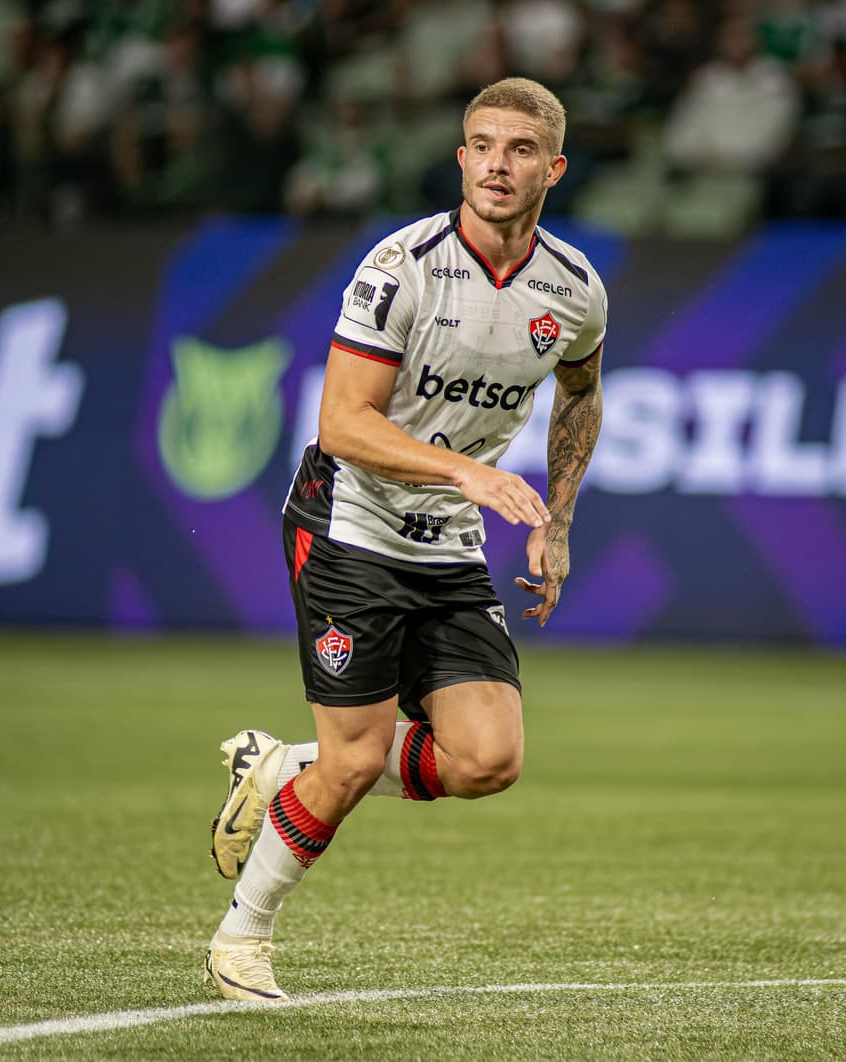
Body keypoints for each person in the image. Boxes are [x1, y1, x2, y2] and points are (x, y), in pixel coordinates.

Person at [203, 76, 607, 1003]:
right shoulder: (405, 266)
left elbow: (581, 391)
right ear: (460, 156)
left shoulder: (575, 289)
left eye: (518, 150)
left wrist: (561, 517)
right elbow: (341, 423)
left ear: (555, 167)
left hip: (446, 543)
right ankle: (241, 938)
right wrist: (469, 471)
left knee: (488, 760)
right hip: (350, 524)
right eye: (481, 146)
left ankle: (281, 767)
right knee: (355, 759)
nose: (497, 166)